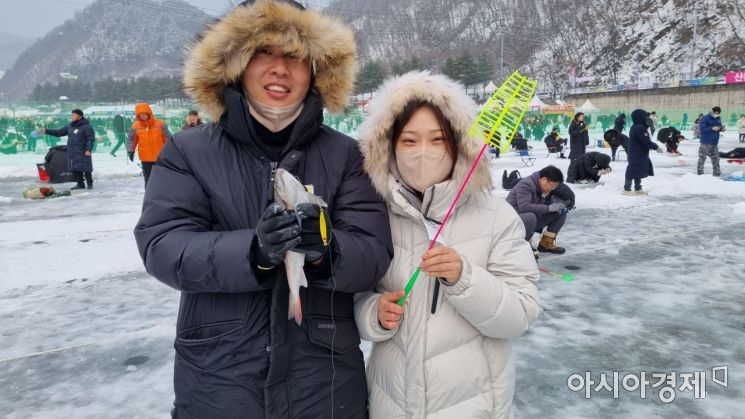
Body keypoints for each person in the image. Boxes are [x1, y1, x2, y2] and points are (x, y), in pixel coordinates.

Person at [133, 1, 393, 417]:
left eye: (294, 57)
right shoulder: (188, 150)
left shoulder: (345, 155)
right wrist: (252, 252)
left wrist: (327, 251)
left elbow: (375, 250)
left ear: (315, 72)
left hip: (324, 380)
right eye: (262, 53)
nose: (279, 69)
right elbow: (162, 245)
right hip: (219, 379)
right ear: (235, 65)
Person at [355, 71, 542, 419]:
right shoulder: (373, 214)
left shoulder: (496, 215)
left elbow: (520, 315)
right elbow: (354, 298)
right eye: (409, 141)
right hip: (392, 402)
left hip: (474, 405)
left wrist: (464, 278)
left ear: (457, 144)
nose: (422, 153)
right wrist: (373, 313)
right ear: (389, 146)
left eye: (437, 140)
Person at [507, 165, 569, 255]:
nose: (553, 188)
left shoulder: (544, 187)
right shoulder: (526, 185)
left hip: (533, 219)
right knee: (530, 217)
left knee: (560, 212)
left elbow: (548, 202)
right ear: (544, 179)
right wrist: (549, 208)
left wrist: (558, 205)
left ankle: (546, 243)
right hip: (515, 221)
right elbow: (524, 207)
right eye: (552, 186)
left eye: (555, 186)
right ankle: (522, 245)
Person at [39, 109, 95, 190]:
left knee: (86, 168)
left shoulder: (87, 127)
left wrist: (88, 149)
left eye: (74, 115)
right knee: (75, 168)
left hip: (83, 151)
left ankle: (90, 183)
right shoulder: (70, 126)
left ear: (80, 116)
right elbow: (59, 133)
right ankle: (80, 184)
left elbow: (90, 139)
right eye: (71, 115)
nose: (72, 117)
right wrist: (46, 131)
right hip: (72, 151)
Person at [126, 103, 171, 186]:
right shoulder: (136, 126)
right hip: (145, 158)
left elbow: (168, 138)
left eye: (144, 113)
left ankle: (163, 196)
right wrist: (130, 151)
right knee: (149, 180)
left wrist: (170, 150)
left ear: (149, 113)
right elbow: (131, 139)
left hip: (160, 157)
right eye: (140, 114)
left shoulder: (160, 124)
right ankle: (150, 197)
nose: (143, 116)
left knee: (162, 178)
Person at [624, 108, 663, 195]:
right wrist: (656, 147)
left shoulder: (636, 127)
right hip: (637, 153)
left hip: (638, 152)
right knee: (632, 170)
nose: (647, 119)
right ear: (640, 117)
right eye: (645, 117)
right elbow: (646, 141)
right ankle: (627, 189)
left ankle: (638, 188)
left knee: (637, 170)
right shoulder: (639, 128)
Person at [698, 106, 723, 177]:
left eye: (718, 113)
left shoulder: (718, 118)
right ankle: (700, 173)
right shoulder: (705, 118)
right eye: (715, 113)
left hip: (714, 142)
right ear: (712, 111)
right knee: (702, 158)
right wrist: (711, 128)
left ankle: (717, 174)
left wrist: (721, 128)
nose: (716, 114)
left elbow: (719, 126)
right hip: (705, 142)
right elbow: (702, 129)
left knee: (716, 159)